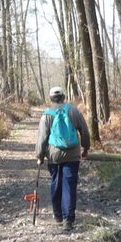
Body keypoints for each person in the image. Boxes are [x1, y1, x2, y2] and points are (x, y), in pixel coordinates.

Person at [35, 86, 90, 231]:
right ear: (64, 97)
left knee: (56, 183)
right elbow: (84, 130)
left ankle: (58, 215)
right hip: (72, 154)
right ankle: (68, 220)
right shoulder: (73, 111)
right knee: (69, 186)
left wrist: (39, 156)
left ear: (51, 99)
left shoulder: (46, 115)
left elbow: (42, 138)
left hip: (54, 155)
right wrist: (86, 148)